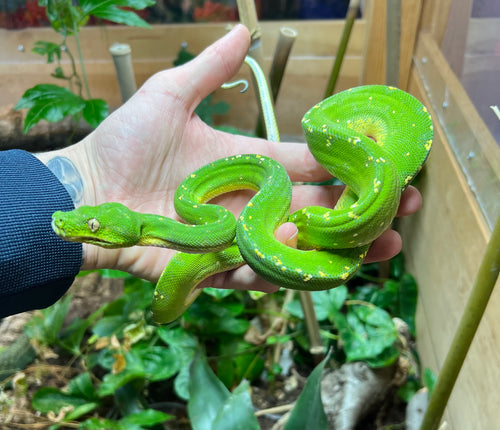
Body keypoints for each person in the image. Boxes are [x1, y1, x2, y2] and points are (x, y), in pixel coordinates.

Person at [0, 24, 422, 319]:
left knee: (361, 207)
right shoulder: (199, 218)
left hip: (384, 137)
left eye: (92, 224)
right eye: (92, 226)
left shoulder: (201, 210)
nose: (82, 229)